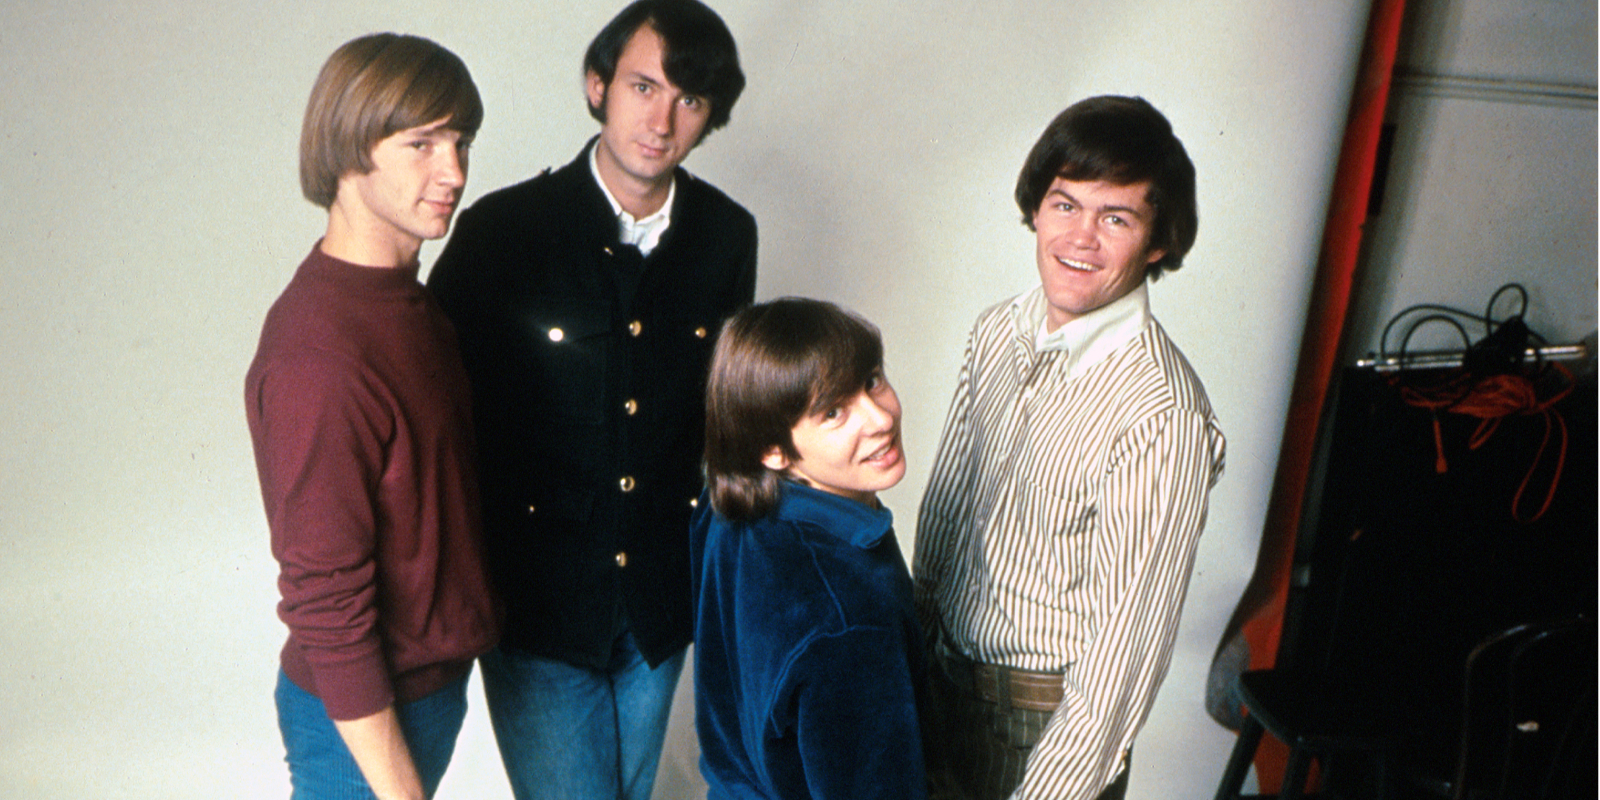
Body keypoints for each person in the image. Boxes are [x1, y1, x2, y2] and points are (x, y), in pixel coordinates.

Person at [425, 2, 754, 797]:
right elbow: (440, 415)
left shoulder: (727, 234)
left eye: (690, 100)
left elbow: (725, 416)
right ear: (597, 85)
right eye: (644, 86)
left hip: (658, 607)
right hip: (536, 612)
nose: (662, 118)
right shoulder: (502, 231)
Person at [913, 95, 1227, 800]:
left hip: (1040, 735)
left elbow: (1122, 660)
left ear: (1158, 242)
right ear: (1036, 208)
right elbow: (943, 523)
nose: (1079, 238)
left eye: (1115, 217)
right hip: (936, 691)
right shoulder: (997, 332)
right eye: (1065, 205)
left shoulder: (1161, 415)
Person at [244, 33, 498, 800]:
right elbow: (326, 602)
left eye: (461, 142)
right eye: (421, 144)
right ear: (350, 147)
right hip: (362, 718)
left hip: (427, 691)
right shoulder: (319, 354)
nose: (452, 172)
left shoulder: (408, 302)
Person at [692, 298, 928, 800]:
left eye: (872, 380)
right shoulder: (849, 613)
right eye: (834, 412)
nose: (880, 417)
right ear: (773, 450)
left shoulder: (725, 513)